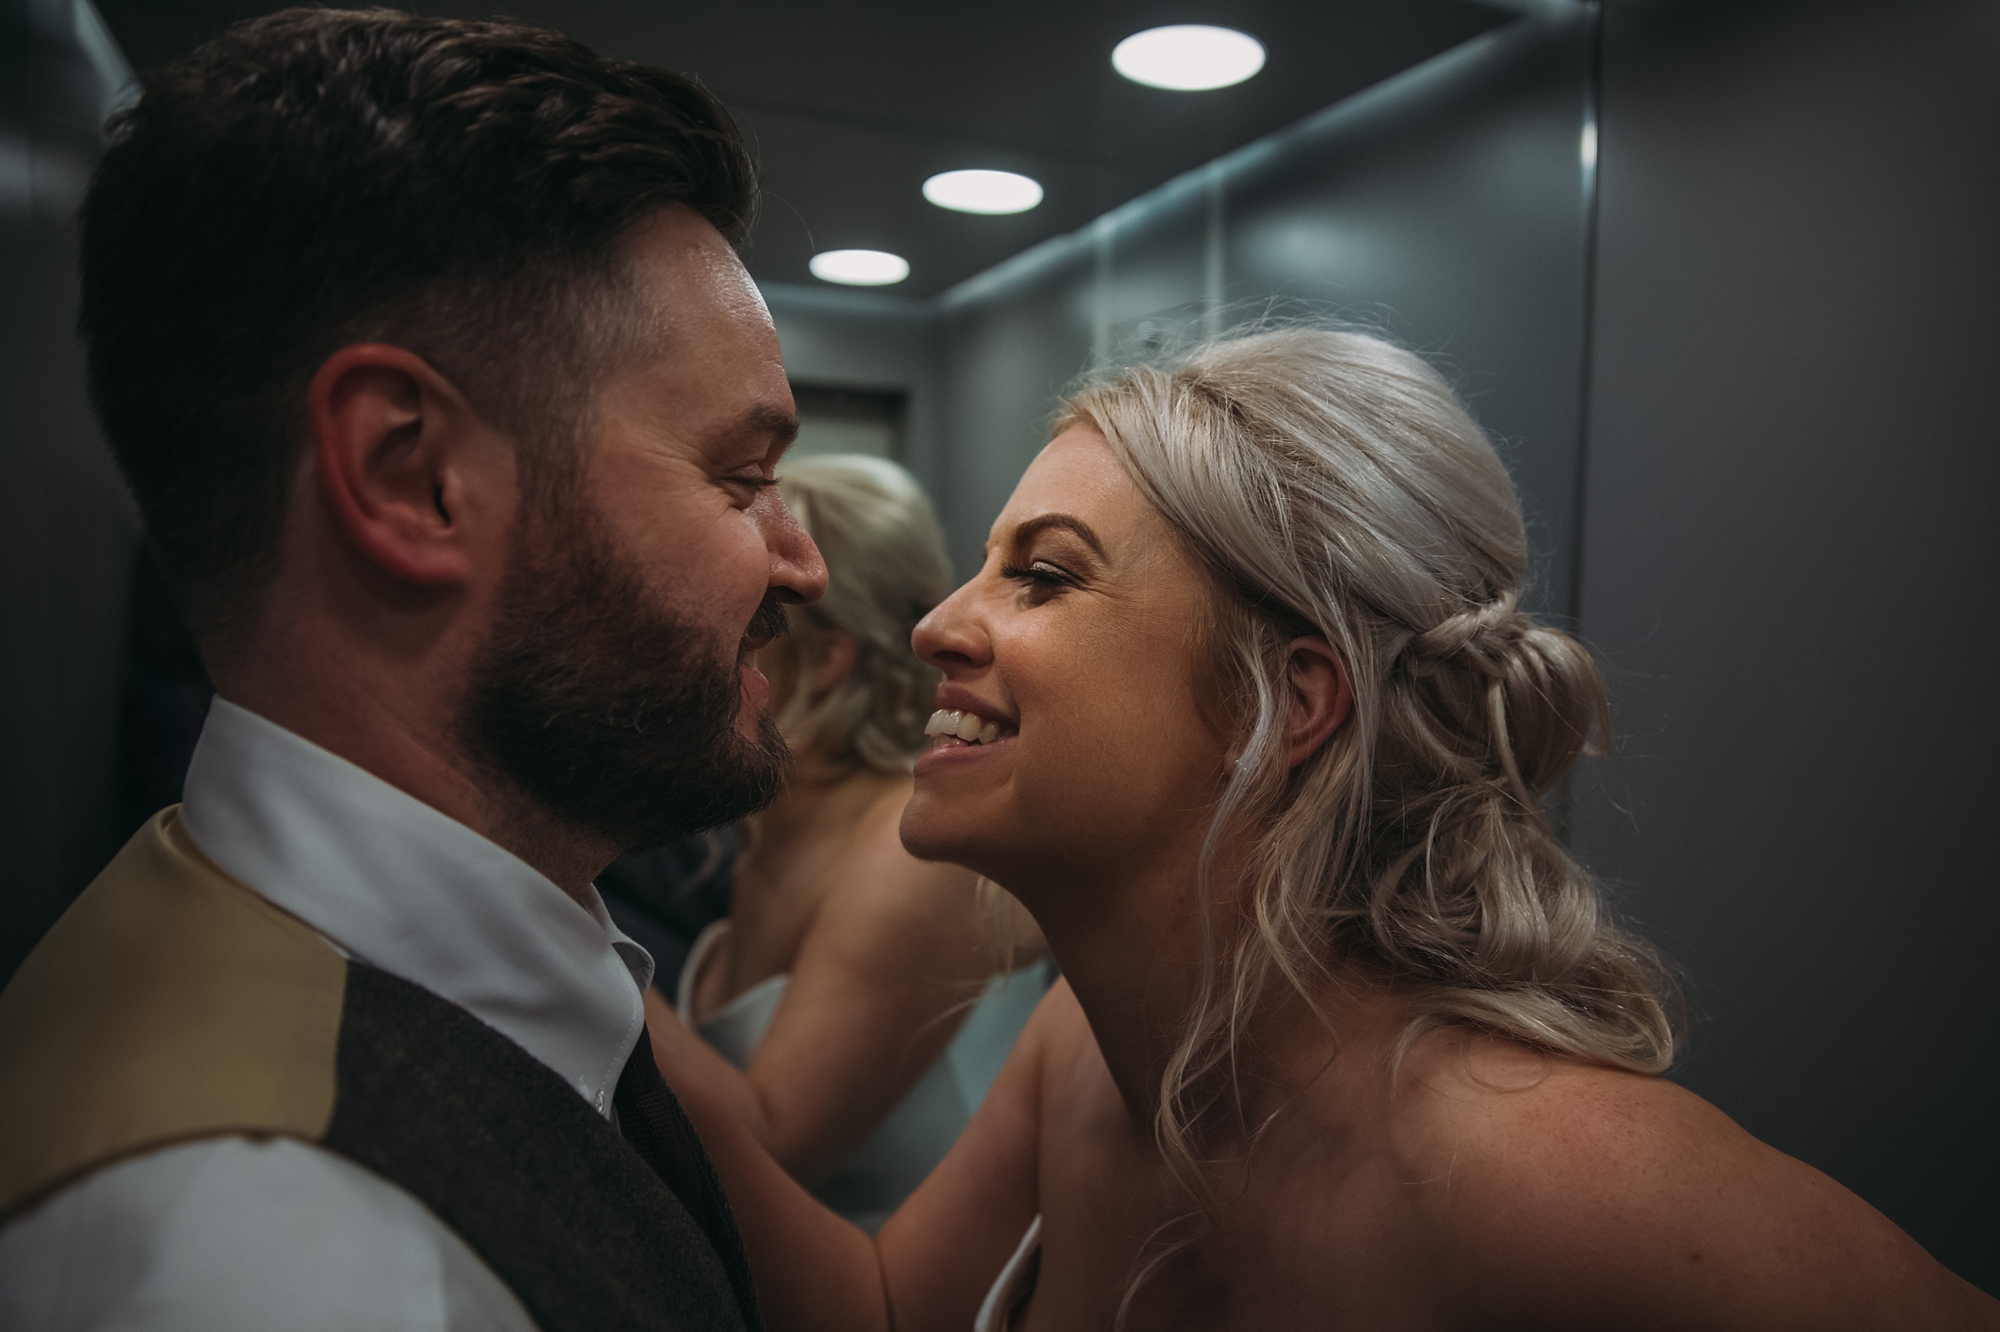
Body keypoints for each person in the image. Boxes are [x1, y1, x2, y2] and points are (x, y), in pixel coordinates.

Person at [651, 328, 2000, 1331]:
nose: (940, 623)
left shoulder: (1543, 1172)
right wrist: (542, 937)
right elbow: (886, 1310)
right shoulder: (1087, 1055)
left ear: (1281, 701)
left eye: (1043, 577)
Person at [0, 10, 825, 1331]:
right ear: (412, 478)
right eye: (742, 477)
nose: (803, 566)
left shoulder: (311, 941)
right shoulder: (285, 1254)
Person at [645, 454, 1050, 1232]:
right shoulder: (758, 835)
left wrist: (554, 905)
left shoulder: (917, 851)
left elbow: (774, 1148)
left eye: (742, 607)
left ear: (828, 661)